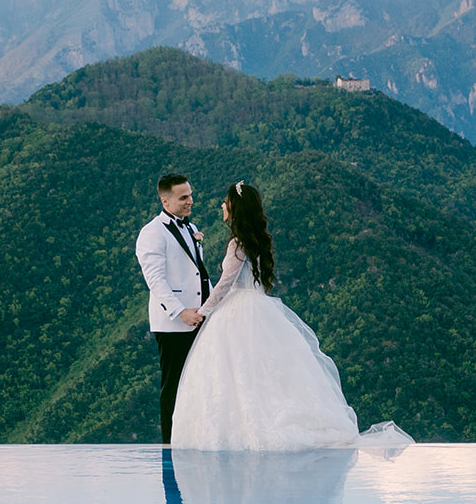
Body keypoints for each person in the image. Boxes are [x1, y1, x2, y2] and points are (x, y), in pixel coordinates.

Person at [170, 181, 412, 452]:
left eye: (226, 202)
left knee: (236, 371)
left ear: (235, 208)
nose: (222, 206)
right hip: (258, 307)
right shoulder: (255, 241)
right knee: (260, 372)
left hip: (237, 312)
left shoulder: (237, 244)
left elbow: (226, 284)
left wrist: (202, 312)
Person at [135, 173, 213, 444]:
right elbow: (156, 281)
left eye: (190, 195)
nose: (190, 201)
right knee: (173, 386)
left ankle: (194, 439)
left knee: (198, 384)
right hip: (173, 324)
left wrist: (211, 307)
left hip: (200, 320)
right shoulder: (151, 233)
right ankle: (170, 445)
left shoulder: (192, 229)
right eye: (183, 198)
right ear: (165, 201)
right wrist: (181, 312)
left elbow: (198, 274)